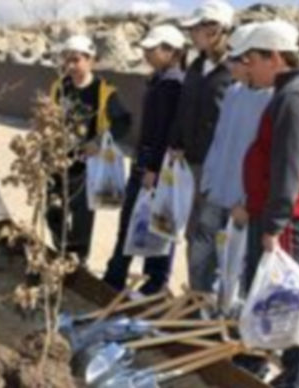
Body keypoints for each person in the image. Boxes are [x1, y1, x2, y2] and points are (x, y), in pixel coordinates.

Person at [234, 20, 299, 388]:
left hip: (289, 217)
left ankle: (296, 378)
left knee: (292, 299)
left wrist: (275, 225)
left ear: (275, 57)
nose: (247, 68)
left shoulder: (295, 98)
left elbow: (290, 169)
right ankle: (264, 362)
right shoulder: (291, 92)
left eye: (252, 60)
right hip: (281, 213)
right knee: (272, 295)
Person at [186, 23, 273, 299]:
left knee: (235, 265)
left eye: (236, 59)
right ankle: (198, 309)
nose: (231, 64)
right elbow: (219, 142)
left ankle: (229, 318)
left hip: (241, 201)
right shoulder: (234, 93)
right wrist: (208, 181)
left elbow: (266, 160)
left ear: (250, 62)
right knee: (200, 254)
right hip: (216, 193)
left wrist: (248, 201)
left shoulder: (272, 101)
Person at [102, 25, 186, 295]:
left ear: (170, 51)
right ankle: (117, 274)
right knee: (132, 221)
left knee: (158, 225)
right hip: (145, 161)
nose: (147, 54)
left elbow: (165, 131)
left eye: (152, 49)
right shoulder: (158, 80)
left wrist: (153, 167)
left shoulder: (173, 84)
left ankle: (155, 280)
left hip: (154, 166)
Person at [168, 0, 235, 293]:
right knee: (194, 234)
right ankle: (197, 296)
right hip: (191, 165)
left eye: (195, 28)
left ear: (215, 28)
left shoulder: (236, 70)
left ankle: (207, 303)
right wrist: (177, 142)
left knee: (211, 237)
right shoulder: (196, 67)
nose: (191, 35)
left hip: (219, 171)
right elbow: (183, 109)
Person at [46, 34, 131, 266]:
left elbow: (124, 122)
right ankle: (61, 249)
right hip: (58, 163)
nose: (70, 66)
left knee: (83, 218)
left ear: (90, 60)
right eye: (67, 60)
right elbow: (49, 119)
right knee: (52, 211)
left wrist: (99, 140)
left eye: (76, 60)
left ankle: (78, 260)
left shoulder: (104, 91)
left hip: (87, 168)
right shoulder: (60, 87)